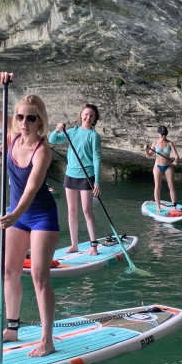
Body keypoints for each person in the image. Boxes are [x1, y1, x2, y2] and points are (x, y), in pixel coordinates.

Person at [0, 71, 59, 358]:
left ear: (40, 121)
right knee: (10, 271)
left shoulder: (42, 150)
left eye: (31, 118)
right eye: (20, 117)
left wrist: (14, 215)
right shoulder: (11, 133)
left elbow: (33, 188)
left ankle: (47, 339)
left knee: (39, 275)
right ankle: (12, 328)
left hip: (41, 217)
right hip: (17, 215)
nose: (24, 123)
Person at [48, 104, 102, 255]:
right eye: (86, 114)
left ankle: (94, 246)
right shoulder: (73, 131)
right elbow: (52, 140)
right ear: (81, 115)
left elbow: (97, 159)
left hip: (87, 176)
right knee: (72, 210)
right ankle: (74, 245)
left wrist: (97, 181)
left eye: (91, 116)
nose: (88, 118)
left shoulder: (93, 136)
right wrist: (58, 129)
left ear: (94, 119)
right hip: (70, 175)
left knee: (87, 210)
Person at [145, 125, 179, 211]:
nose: (163, 136)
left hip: (168, 166)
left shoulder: (170, 143)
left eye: (165, 134)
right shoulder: (155, 143)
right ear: (158, 134)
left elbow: (176, 155)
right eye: (162, 134)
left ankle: (174, 206)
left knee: (171, 186)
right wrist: (146, 150)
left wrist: (176, 160)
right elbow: (149, 155)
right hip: (158, 167)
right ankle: (158, 206)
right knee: (157, 186)